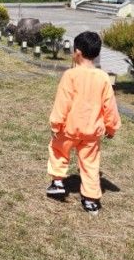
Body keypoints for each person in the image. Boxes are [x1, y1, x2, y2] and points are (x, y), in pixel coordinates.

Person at [46, 31, 120, 214]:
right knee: (90, 164)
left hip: (69, 129)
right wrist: (111, 127)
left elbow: (63, 102)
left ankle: (57, 182)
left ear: (77, 52)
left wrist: (56, 124)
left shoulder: (70, 75)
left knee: (58, 151)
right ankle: (90, 200)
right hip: (91, 132)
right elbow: (109, 105)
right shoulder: (103, 77)